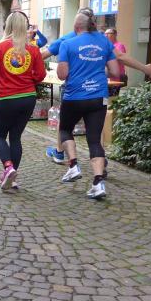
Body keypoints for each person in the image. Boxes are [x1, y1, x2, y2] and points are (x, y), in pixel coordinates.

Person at [41, 8, 151, 164]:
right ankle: (100, 159)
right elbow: (120, 57)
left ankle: (60, 152)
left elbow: (44, 55)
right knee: (96, 126)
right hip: (97, 91)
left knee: (65, 124)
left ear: (78, 22)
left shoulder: (68, 38)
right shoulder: (101, 39)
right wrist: (144, 68)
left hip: (74, 91)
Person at [57, 11, 120, 199]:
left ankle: (73, 165)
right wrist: (97, 71)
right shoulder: (105, 42)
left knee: (65, 129)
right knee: (94, 139)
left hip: (74, 96)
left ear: (76, 27)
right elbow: (115, 71)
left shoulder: (67, 44)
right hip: (98, 97)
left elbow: (62, 74)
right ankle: (98, 183)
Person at [0, 12, 46, 190]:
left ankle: (8, 167)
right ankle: (11, 177)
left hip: (6, 98)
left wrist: (5, 77)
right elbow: (41, 75)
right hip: (28, 98)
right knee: (15, 138)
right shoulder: (33, 49)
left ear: (8, 26)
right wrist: (28, 78)